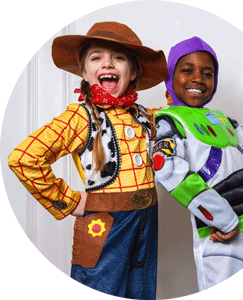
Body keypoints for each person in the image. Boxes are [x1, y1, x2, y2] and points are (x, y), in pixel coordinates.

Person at [8, 21, 167, 299]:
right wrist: (67, 201)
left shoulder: (146, 115)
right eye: (97, 58)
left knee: (141, 290)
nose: (108, 64)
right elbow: (22, 158)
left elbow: (179, 122)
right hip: (104, 224)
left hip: (145, 220)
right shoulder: (79, 117)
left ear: (134, 73)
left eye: (118, 58)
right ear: (84, 71)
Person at [153, 36, 243, 291]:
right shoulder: (169, 121)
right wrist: (224, 219)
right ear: (170, 76)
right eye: (187, 70)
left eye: (207, 73)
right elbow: (165, 167)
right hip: (227, 231)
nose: (198, 78)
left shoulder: (221, 119)